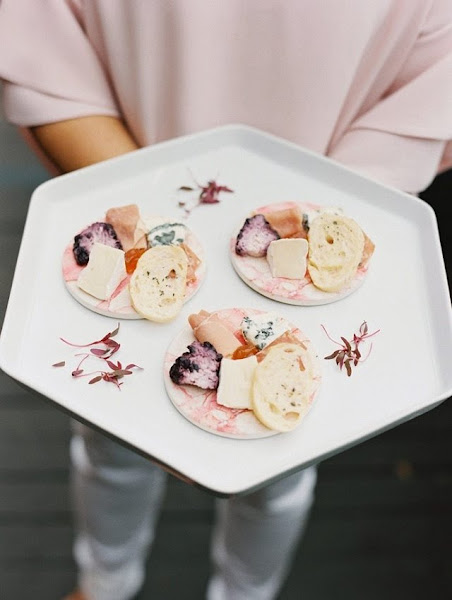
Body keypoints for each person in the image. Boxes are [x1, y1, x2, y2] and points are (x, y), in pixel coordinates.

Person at [0, 2, 451, 599]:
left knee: (277, 475)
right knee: (111, 445)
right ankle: (105, 582)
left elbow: (430, 87)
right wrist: (153, 237)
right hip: (133, 247)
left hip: (310, 282)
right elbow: (45, 46)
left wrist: (317, 246)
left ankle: (245, 594)